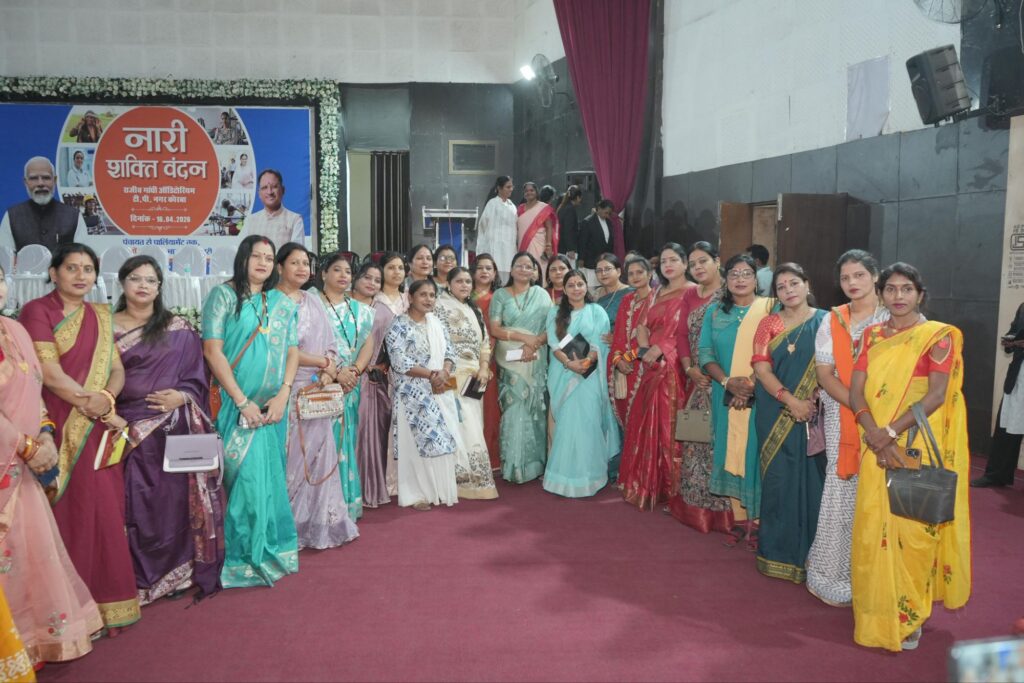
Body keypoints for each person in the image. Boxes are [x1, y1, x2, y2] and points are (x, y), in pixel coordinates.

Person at [849, 262, 971, 652]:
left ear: (920, 294)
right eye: (891, 289)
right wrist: (874, 432)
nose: (898, 296)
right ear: (881, 294)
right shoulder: (870, 336)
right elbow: (856, 392)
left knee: (913, 530)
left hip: (914, 441)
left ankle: (910, 614)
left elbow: (936, 395)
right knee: (874, 528)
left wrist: (889, 433)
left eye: (906, 289)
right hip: (875, 441)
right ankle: (876, 611)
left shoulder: (938, 336)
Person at [18, 244, 140, 631]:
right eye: (72, 268)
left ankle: (109, 604)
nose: (81, 275)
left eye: (88, 269)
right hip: (56, 422)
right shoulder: (37, 311)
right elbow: (50, 373)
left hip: (98, 426)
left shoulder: (101, 315)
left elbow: (117, 370)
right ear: (54, 273)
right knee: (70, 513)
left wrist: (106, 399)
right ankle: (70, 612)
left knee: (104, 511)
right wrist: (94, 404)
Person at [0, 264, 103, 665]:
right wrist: (25, 445)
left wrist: (44, 435)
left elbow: (35, 389)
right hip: (10, 461)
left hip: (25, 465)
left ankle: (28, 643)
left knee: (29, 554)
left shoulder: (15, 330)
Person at [113, 255, 225, 604]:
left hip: (175, 432)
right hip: (127, 431)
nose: (143, 285)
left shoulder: (177, 328)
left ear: (160, 287)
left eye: (151, 280)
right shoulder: (105, 327)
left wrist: (182, 395)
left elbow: (198, 375)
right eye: (135, 278)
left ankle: (179, 572)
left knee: (175, 504)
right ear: (122, 283)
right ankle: (138, 576)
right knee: (136, 504)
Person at [201, 235, 299, 588]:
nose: (263, 263)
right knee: (247, 483)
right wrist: (243, 401)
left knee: (270, 481)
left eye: (269, 258)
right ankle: (244, 558)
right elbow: (213, 352)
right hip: (236, 406)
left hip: (273, 409)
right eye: (256, 256)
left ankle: (272, 548)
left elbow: (292, 350)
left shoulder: (281, 302)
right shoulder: (223, 296)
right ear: (243, 258)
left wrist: (284, 393)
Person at [806, 250, 888, 606]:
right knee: (843, 489)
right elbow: (825, 375)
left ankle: (879, 578)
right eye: (845, 278)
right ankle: (834, 575)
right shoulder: (834, 319)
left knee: (882, 492)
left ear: (875, 276)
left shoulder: (894, 315)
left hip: (889, 419)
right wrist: (861, 409)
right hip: (845, 415)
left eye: (859, 275)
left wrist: (878, 413)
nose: (852, 283)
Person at [275, 245, 359, 549]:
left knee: (320, 458)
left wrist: (327, 372)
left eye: (305, 263)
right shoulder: (271, 301)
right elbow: (279, 348)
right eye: (294, 263)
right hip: (285, 390)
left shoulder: (312, 299)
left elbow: (331, 344)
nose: (301, 268)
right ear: (279, 267)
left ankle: (321, 522)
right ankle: (290, 525)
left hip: (317, 391)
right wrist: (323, 364)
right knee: (291, 458)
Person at [751, 263, 827, 582]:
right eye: (781, 287)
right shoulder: (769, 323)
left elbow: (836, 366)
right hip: (775, 411)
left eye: (794, 283)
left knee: (816, 482)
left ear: (807, 284)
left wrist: (813, 397)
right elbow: (761, 369)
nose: (788, 290)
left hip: (818, 413)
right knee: (779, 483)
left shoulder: (827, 321)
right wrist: (791, 400)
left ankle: (817, 557)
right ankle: (777, 556)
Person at [700, 253, 774, 547]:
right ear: (726, 279)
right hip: (725, 393)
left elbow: (777, 349)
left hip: (764, 392)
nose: (740, 279)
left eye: (746, 274)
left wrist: (753, 383)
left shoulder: (771, 308)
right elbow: (705, 353)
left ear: (756, 278)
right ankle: (741, 521)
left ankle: (760, 522)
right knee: (731, 450)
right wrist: (728, 382)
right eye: (734, 274)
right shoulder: (715, 312)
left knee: (756, 452)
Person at [667, 242, 735, 534]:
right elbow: (682, 335)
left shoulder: (732, 292)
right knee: (696, 441)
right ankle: (696, 509)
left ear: (717, 261)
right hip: (697, 379)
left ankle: (727, 514)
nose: (697, 268)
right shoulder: (690, 294)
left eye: (703, 261)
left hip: (726, 377)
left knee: (724, 441)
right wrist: (689, 369)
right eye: (693, 264)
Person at [618, 243, 691, 510]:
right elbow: (642, 326)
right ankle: (652, 485)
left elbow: (690, 329)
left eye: (673, 260)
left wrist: (663, 348)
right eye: (664, 261)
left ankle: (676, 491)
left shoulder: (693, 292)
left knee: (671, 426)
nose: (668, 265)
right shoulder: (657, 292)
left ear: (685, 263)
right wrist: (646, 349)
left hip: (676, 366)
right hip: (651, 364)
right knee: (647, 424)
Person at [385, 279, 460, 510]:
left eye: (432, 295)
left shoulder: (437, 323)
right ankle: (415, 494)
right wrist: (431, 374)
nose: (428, 299)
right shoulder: (398, 325)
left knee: (442, 440)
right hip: (411, 394)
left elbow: (450, 352)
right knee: (412, 446)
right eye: (423, 295)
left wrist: (444, 371)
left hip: (439, 390)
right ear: (411, 297)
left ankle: (439, 490)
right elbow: (399, 361)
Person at [544, 269, 618, 497]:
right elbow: (554, 344)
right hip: (563, 373)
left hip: (589, 376)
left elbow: (599, 343)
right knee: (566, 425)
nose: (576, 289)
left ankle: (589, 478)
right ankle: (561, 479)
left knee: (588, 423)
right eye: (571, 285)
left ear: (587, 286)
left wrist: (585, 363)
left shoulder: (597, 311)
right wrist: (570, 364)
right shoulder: (555, 313)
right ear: (564, 290)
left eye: (580, 284)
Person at [318, 252, 374, 521]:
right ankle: (322, 506)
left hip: (351, 384)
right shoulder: (312, 305)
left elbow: (367, 343)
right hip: (322, 382)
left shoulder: (360, 310)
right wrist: (336, 372)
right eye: (337, 270)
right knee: (323, 443)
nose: (344, 276)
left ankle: (345, 503)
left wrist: (354, 371)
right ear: (324, 274)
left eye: (348, 272)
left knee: (346, 441)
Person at [435, 268, 498, 499]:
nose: (464, 285)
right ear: (449, 284)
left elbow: (485, 344)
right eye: (459, 281)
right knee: (457, 424)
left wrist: (484, 367)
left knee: (473, 425)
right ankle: (458, 481)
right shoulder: (439, 306)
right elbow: (437, 341)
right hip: (451, 375)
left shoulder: (474, 310)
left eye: (468, 282)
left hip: (475, 378)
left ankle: (475, 478)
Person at [489, 252, 552, 483]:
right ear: (511, 269)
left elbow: (550, 326)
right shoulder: (500, 295)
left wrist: (533, 343)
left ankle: (533, 465)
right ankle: (513, 466)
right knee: (514, 406)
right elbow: (495, 329)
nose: (524, 269)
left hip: (535, 355)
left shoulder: (542, 295)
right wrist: (523, 338)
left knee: (535, 408)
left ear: (535, 271)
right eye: (519, 265)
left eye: (529, 266)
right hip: (509, 358)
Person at [972, 300, 1024, 488]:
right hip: (1018, 375)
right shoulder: (1023, 307)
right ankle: (997, 475)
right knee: (1006, 428)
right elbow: (1014, 331)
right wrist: (1010, 342)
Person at [352, 261, 392, 507]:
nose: (372, 283)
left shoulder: (384, 312)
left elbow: (391, 348)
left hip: (373, 382)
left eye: (377, 280)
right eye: (367, 277)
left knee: (371, 436)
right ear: (356, 278)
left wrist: (380, 366)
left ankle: (368, 489)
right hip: (343, 378)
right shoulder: (341, 305)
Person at [0, 157, 87, 254]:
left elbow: (83, 258)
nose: (40, 183)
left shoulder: (74, 217)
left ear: (54, 180)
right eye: (34, 178)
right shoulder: (11, 216)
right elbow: (4, 259)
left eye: (46, 178)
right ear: (25, 182)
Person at [608, 255, 653, 428]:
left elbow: (657, 337)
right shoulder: (627, 300)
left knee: (645, 420)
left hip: (647, 366)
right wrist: (618, 360)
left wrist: (631, 356)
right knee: (630, 423)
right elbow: (619, 335)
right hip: (625, 369)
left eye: (640, 272)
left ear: (650, 274)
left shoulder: (657, 299)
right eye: (631, 273)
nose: (635, 277)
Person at [470, 253, 502, 470]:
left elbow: (496, 331)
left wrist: (486, 358)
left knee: (490, 410)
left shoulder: (498, 298)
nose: (484, 272)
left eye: (488, 268)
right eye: (480, 268)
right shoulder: (464, 295)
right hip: (465, 362)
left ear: (495, 273)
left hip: (489, 361)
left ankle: (491, 459)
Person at [244, 169, 305, 249]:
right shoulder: (251, 221)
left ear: (283, 190)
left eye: (274, 187)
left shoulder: (295, 220)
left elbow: (296, 254)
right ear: (259, 193)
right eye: (265, 187)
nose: (269, 192)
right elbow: (245, 253)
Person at [476, 176, 517, 282]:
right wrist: (483, 248)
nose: (511, 189)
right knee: (494, 274)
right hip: (494, 248)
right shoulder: (492, 204)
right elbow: (483, 226)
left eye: (512, 187)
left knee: (508, 277)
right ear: (499, 188)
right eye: (508, 187)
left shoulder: (512, 206)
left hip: (509, 249)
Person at [516, 182, 558, 285]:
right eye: (526, 191)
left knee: (539, 268)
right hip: (523, 245)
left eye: (532, 190)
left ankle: (541, 289)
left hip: (539, 245)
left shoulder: (543, 208)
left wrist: (548, 245)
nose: (529, 193)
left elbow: (549, 227)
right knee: (525, 267)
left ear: (536, 192)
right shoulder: (520, 208)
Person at [577, 200, 616, 290]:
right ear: (599, 208)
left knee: (604, 285)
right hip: (591, 259)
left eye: (609, 214)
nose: (607, 215)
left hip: (604, 260)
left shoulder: (609, 222)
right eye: (606, 212)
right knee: (591, 286)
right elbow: (582, 241)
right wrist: (581, 258)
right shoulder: (588, 222)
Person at [594, 253, 632, 329]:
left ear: (618, 271)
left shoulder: (630, 293)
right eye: (599, 270)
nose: (603, 273)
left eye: (607, 269)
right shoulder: (596, 294)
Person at [555, 185, 583, 264]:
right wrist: (570, 249)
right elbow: (568, 230)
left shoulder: (562, 207)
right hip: (566, 250)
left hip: (561, 247)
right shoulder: (570, 209)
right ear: (578, 197)